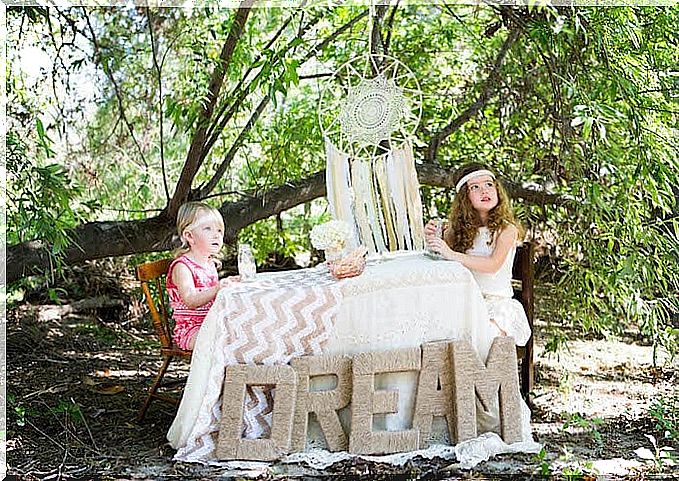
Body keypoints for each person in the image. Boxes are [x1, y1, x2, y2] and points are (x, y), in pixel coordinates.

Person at [425, 162, 531, 347]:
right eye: (475, 187)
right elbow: (443, 263)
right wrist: (433, 237)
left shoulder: (506, 229)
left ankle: (485, 375)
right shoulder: (457, 231)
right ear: (465, 198)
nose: (485, 191)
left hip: (496, 305)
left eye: (489, 185)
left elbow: (492, 265)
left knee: (479, 338)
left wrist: (450, 253)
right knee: (433, 330)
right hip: (465, 301)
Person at [167, 201, 239, 350]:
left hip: (211, 323)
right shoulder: (182, 266)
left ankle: (237, 372)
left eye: (219, 230)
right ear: (189, 236)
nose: (216, 235)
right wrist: (218, 288)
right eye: (208, 229)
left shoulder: (210, 264)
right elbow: (191, 300)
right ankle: (213, 373)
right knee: (222, 340)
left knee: (240, 331)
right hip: (191, 330)